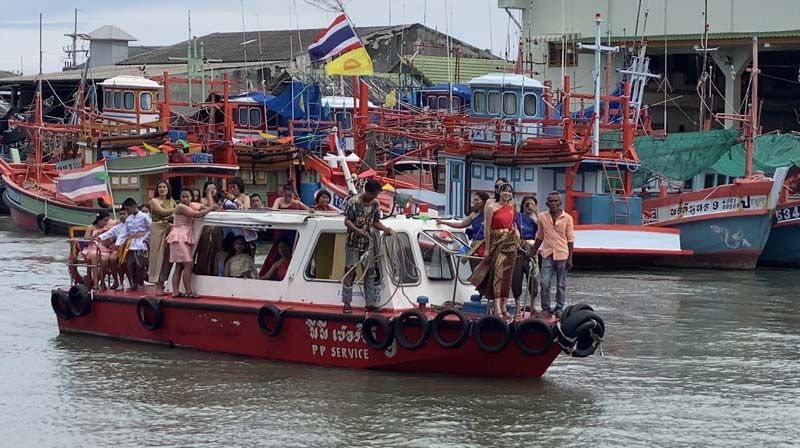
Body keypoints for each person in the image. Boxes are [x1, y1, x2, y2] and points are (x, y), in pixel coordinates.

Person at [341, 179, 394, 313]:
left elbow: (375, 221)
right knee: (350, 271)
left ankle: (369, 303)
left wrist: (385, 229)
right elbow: (347, 221)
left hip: (367, 243)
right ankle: (347, 303)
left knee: (370, 271)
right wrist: (357, 230)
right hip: (353, 242)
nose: (375, 197)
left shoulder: (375, 203)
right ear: (368, 192)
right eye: (374, 194)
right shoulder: (353, 202)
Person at [472, 183, 518, 320]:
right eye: (504, 191)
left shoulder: (512, 206)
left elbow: (513, 223)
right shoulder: (492, 207)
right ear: (499, 192)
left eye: (509, 191)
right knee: (498, 273)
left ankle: (504, 305)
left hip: (510, 241)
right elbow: (487, 227)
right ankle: (496, 305)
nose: (507, 194)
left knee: (508, 274)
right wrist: (487, 247)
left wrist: (516, 232)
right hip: (496, 240)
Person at [531, 191, 575, 319]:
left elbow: (570, 238)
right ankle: (546, 308)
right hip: (547, 253)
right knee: (544, 283)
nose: (553, 203)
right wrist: (532, 252)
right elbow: (540, 236)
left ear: (560, 203)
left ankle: (559, 308)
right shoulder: (542, 217)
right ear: (547, 203)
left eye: (556, 201)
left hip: (562, 254)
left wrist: (570, 258)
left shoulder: (567, 218)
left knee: (561, 284)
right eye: (551, 201)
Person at [168, 188, 217, 298]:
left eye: (187, 196)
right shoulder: (180, 207)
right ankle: (188, 291)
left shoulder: (193, 205)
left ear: (191, 197)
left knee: (179, 265)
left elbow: (207, 207)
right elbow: (197, 214)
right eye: (182, 197)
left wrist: (210, 198)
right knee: (188, 264)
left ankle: (175, 291)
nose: (185, 199)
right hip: (178, 237)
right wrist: (211, 208)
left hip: (185, 236)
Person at [98, 198, 151, 291]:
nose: (127, 211)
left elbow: (151, 228)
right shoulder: (129, 219)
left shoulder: (144, 216)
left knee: (140, 265)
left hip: (141, 243)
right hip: (131, 244)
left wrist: (145, 238)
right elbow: (124, 232)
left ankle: (140, 284)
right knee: (130, 265)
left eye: (128, 209)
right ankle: (134, 284)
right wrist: (118, 243)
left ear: (133, 206)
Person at [435, 191, 490, 261]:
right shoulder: (473, 215)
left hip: (486, 245)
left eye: (476, 200)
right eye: (474, 200)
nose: (474, 202)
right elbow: (461, 224)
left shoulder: (489, 214)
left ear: (483, 202)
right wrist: (443, 222)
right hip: (476, 245)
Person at [512, 195, 539, 319]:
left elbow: (542, 232)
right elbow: (513, 227)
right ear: (523, 205)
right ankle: (517, 305)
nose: (529, 206)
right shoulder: (518, 216)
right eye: (527, 204)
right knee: (516, 278)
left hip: (532, 248)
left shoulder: (537, 219)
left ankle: (533, 306)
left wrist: (536, 218)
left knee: (533, 278)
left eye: (532, 204)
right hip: (519, 248)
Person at [149, 179, 176, 295]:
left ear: (168, 189)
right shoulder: (154, 201)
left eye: (164, 187)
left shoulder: (172, 201)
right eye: (160, 187)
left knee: (167, 256)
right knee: (157, 256)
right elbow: (162, 212)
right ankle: (157, 285)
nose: (162, 189)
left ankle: (164, 282)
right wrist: (179, 209)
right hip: (157, 228)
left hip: (169, 228)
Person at [81, 211, 113, 289]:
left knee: (104, 260)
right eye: (105, 220)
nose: (106, 223)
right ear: (99, 220)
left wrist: (109, 237)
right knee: (94, 255)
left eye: (107, 221)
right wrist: (94, 236)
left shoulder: (108, 228)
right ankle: (95, 283)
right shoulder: (90, 227)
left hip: (104, 248)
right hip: (92, 247)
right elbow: (85, 241)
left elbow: (110, 242)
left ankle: (102, 280)